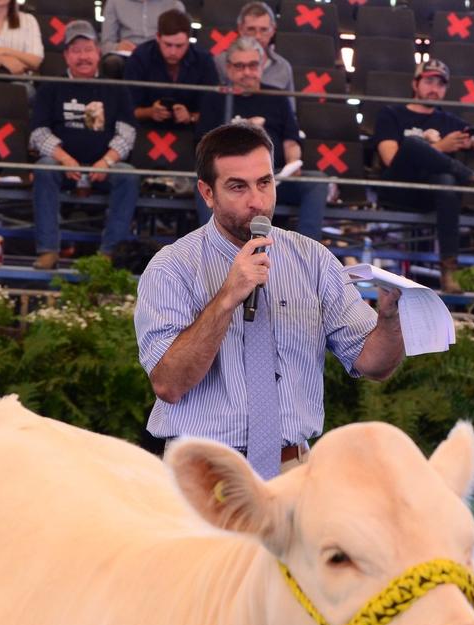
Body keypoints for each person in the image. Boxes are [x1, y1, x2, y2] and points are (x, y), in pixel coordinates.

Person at [134, 123, 406, 477]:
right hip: (204, 471)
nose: (257, 202)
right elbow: (169, 384)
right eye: (237, 187)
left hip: (293, 468)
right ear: (207, 192)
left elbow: (374, 364)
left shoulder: (314, 259)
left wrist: (390, 319)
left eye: (265, 183)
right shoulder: (172, 267)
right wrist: (228, 297)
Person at [373, 59, 474, 292]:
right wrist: (440, 147)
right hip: (398, 189)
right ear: (415, 83)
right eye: (429, 81)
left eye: (440, 84)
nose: (434, 89)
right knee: (413, 143)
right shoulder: (391, 114)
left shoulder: (448, 121)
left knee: (447, 181)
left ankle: (449, 270)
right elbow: (390, 159)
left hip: (432, 196)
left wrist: (470, 141)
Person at [28, 20, 140, 270]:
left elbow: (127, 132)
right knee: (44, 169)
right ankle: (48, 250)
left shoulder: (116, 89)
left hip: (106, 166)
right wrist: (63, 158)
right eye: (76, 51)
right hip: (61, 164)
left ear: (98, 53)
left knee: (129, 177)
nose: (83, 57)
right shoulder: (49, 88)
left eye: (88, 50)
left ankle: (109, 254)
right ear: (66, 56)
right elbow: (38, 132)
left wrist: (107, 161)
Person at [219, 37, 326, 240]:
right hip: (231, 181)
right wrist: (242, 130)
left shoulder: (277, 97)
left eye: (252, 65)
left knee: (317, 181)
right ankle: (215, 253)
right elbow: (205, 148)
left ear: (261, 66)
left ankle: (306, 254)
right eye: (240, 66)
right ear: (229, 68)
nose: (247, 72)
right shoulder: (216, 96)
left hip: (274, 178)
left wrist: (293, 164)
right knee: (207, 184)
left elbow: (291, 141)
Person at [123, 9, 220, 133]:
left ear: (189, 41)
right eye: (168, 45)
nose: (173, 52)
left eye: (179, 46)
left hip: (192, 132)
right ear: (158, 37)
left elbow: (215, 111)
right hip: (145, 131)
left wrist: (190, 116)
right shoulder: (140, 57)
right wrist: (149, 112)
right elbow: (125, 109)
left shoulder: (204, 60)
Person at [212, 2, 293, 93]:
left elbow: (289, 106)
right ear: (240, 29)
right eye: (251, 29)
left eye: (264, 30)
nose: (258, 36)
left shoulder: (283, 67)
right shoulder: (219, 62)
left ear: (273, 30)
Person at [100, 0, 186, 78]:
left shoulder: (174, 4)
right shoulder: (114, 3)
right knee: (111, 63)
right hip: (128, 57)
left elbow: (181, 40)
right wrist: (118, 47)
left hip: (161, 55)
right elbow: (105, 44)